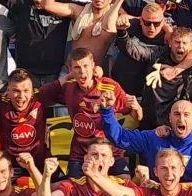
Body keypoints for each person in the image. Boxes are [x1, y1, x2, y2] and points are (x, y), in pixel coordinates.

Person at [52, 48, 141, 178]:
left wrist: (137, 108)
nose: (82, 72)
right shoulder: (68, 88)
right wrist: (66, 78)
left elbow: (137, 118)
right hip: (81, 153)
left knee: (125, 183)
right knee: (73, 187)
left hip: (110, 151)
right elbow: (42, 95)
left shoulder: (110, 86)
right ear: (70, 69)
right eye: (77, 67)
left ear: (93, 66)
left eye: (86, 66)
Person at [0, 0, 69, 87]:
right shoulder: (23, 5)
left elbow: (88, 8)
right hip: (27, 75)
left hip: (56, 74)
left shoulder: (63, 6)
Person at [41, 0, 133, 68]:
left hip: (98, 72)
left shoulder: (117, 17)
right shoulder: (78, 11)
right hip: (71, 70)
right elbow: (47, 5)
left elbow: (140, 18)